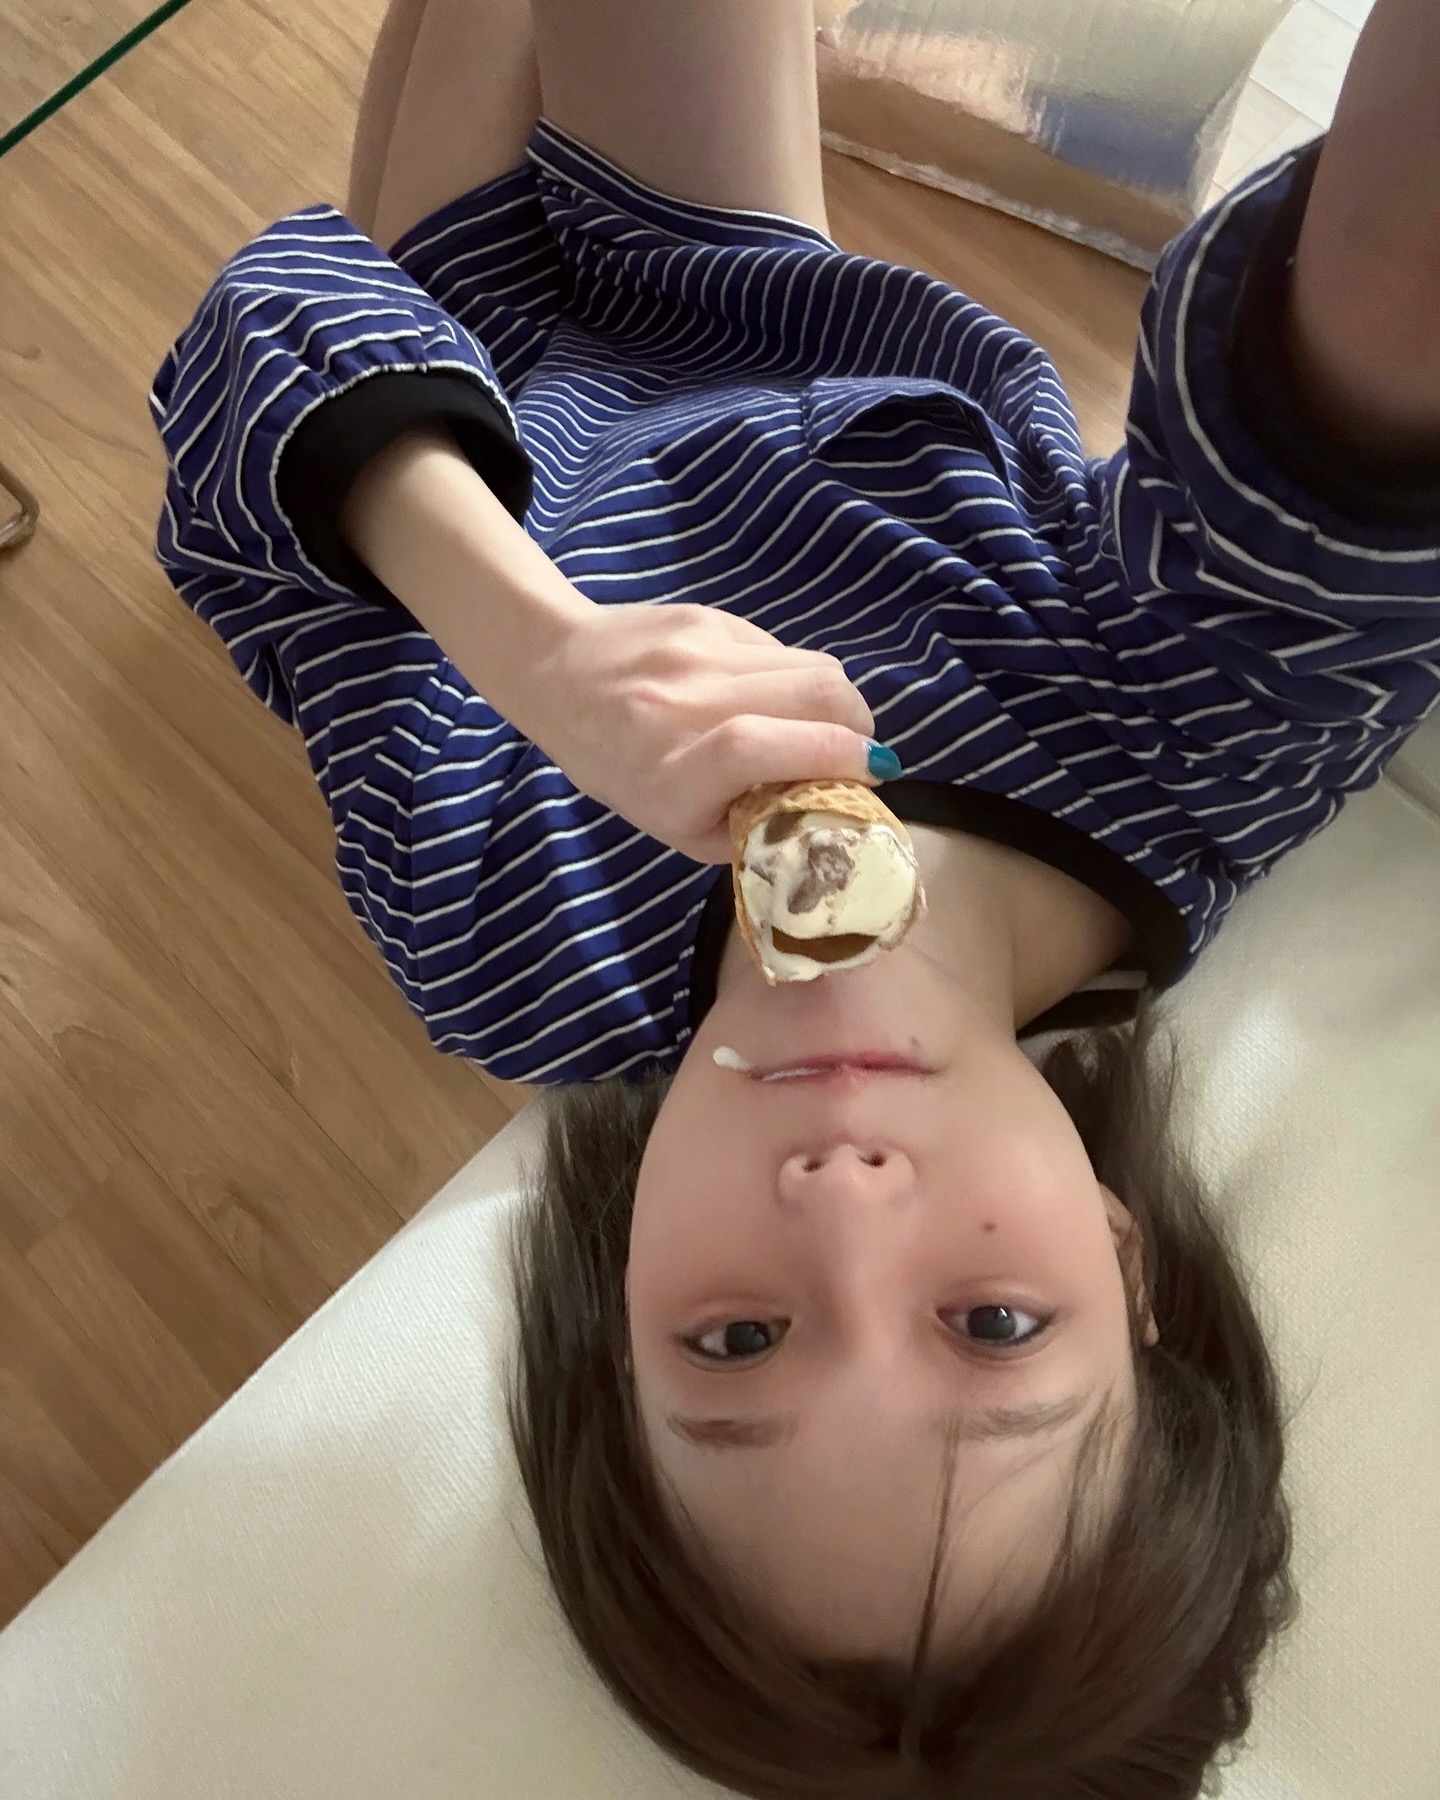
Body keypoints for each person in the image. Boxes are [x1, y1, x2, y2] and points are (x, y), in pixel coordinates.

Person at [151, 1, 1440, 1792]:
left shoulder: (506, 933)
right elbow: (1377, 378)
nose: (844, 1202)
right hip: (736, 275)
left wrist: (533, 641)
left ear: (620, 1323)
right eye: (993, 1325)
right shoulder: (1185, 745)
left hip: (463, 369)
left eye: (740, 1340)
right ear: (1125, 1262)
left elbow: (270, 325)